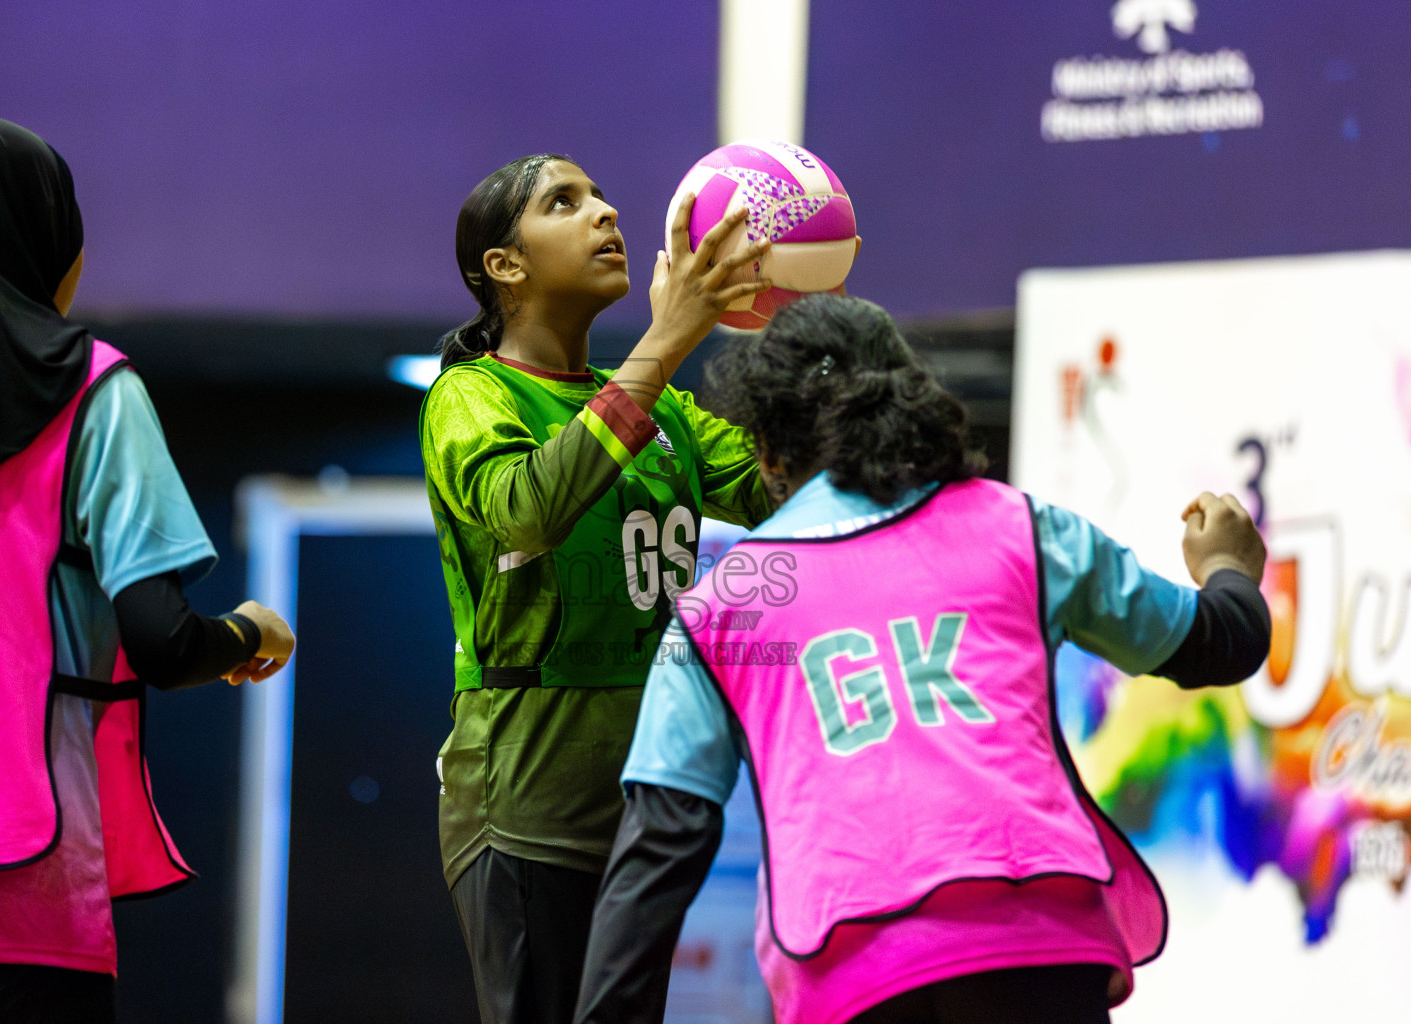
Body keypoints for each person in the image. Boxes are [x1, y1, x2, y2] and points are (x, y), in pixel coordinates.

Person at [573, 293, 1272, 1024]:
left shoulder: (725, 602)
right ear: (908, 399)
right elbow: (1219, 644)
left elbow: (658, 848)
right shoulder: (1019, 527)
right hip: (1041, 951)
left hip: (852, 973)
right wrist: (1227, 565)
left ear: (769, 454)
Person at [0, 118, 296, 1024]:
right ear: (37, 242)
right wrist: (251, 634)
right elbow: (164, 640)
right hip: (18, 888)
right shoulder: (94, 393)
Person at [420, 152, 808, 1023]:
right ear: (504, 267)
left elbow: (788, 492)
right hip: (523, 802)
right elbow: (526, 510)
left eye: (599, 194)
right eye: (565, 202)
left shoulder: (660, 409)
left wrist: (806, 330)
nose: (606, 212)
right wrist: (666, 339)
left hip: (638, 801)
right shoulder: (469, 396)